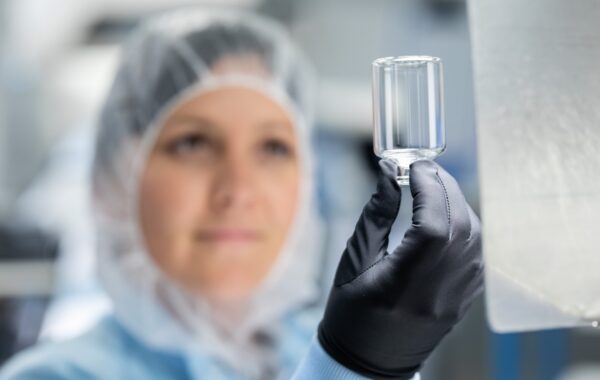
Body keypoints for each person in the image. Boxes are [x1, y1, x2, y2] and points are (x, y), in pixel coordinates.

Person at [0, 8, 483, 380]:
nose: (238, 189)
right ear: (113, 178)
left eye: (273, 146)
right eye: (193, 143)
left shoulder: (332, 344)